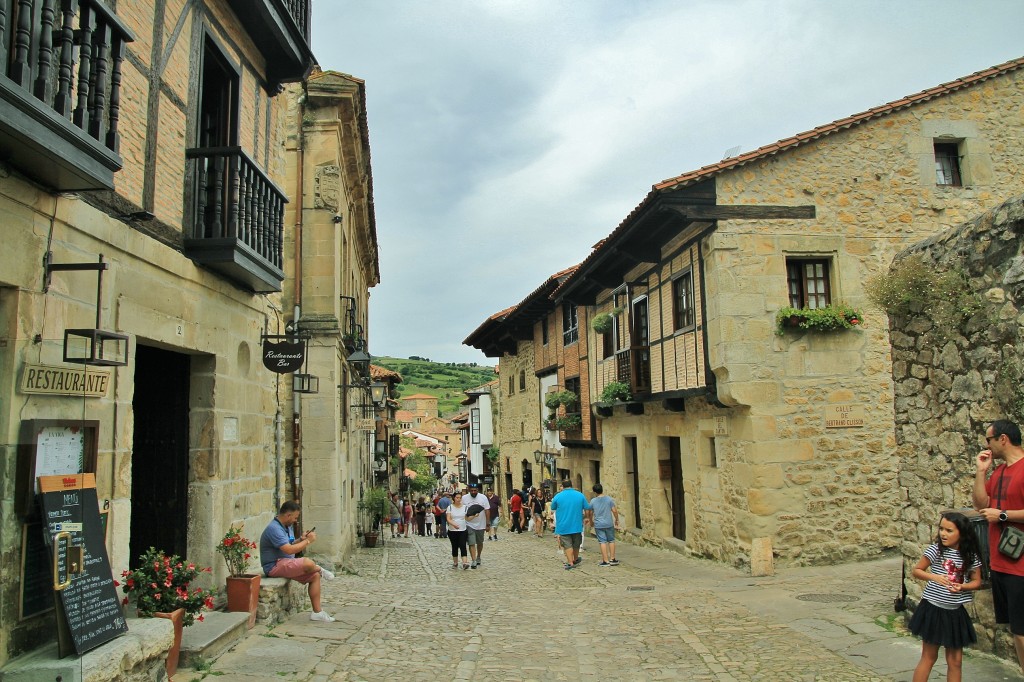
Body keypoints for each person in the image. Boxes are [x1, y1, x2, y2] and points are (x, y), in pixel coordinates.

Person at [972, 419, 1024, 674]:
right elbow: (981, 504)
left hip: (1021, 566)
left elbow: (996, 513)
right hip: (1002, 561)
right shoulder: (999, 472)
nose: (987, 445)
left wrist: (1003, 515)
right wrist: (981, 472)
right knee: (1016, 631)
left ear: (1003, 439)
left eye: (988, 440)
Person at [908, 511, 983, 682]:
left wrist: (962, 586)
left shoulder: (970, 556)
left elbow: (976, 581)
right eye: (941, 529)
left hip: (955, 612)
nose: (943, 533)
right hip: (933, 608)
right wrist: (935, 577)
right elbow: (917, 570)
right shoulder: (935, 550)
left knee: (955, 661)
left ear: (962, 533)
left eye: (949, 530)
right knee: (929, 657)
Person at [259, 501, 336, 622]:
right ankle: (320, 569)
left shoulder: (286, 526)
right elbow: (289, 550)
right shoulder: (274, 529)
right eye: (295, 517)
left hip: (286, 562)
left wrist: (301, 539)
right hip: (274, 565)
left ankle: (317, 612)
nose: (296, 520)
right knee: (308, 563)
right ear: (288, 515)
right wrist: (308, 541)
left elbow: (289, 543)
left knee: (314, 576)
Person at [550, 480, 590, 570]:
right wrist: (587, 517)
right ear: (572, 485)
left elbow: (553, 507)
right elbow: (587, 507)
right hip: (576, 524)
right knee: (576, 543)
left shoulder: (558, 496)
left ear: (563, 487)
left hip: (563, 524)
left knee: (567, 544)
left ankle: (570, 562)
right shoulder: (580, 495)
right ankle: (575, 558)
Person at [588, 484, 621, 566]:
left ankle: (605, 560)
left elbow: (590, 512)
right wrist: (616, 519)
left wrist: (591, 521)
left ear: (595, 491)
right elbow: (614, 510)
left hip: (599, 524)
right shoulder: (609, 499)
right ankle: (612, 559)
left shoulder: (593, 501)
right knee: (611, 540)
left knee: (602, 541)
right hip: (609, 523)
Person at [463, 482, 490, 568]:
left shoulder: (483, 498)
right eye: (472, 491)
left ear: (478, 490)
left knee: (479, 542)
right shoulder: (464, 498)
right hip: (469, 524)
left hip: (481, 524)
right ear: (469, 490)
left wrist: (488, 523)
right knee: (471, 542)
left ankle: (478, 556)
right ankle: (474, 560)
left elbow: (487, 510)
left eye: (475, 490)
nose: (473, 492)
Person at [445, 491, 470, 569]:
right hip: (452, 530)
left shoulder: (465, 507)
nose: (459, 499)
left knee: (463, 545)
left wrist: (474, 516)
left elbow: (467, 518)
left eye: (460, 498)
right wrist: (453, 524)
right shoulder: (450, 507)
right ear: (454, 498)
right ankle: (455, 562)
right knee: (455, 546)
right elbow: (448, 518)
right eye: (457, 498)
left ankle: (465, 562)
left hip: (463, 529)